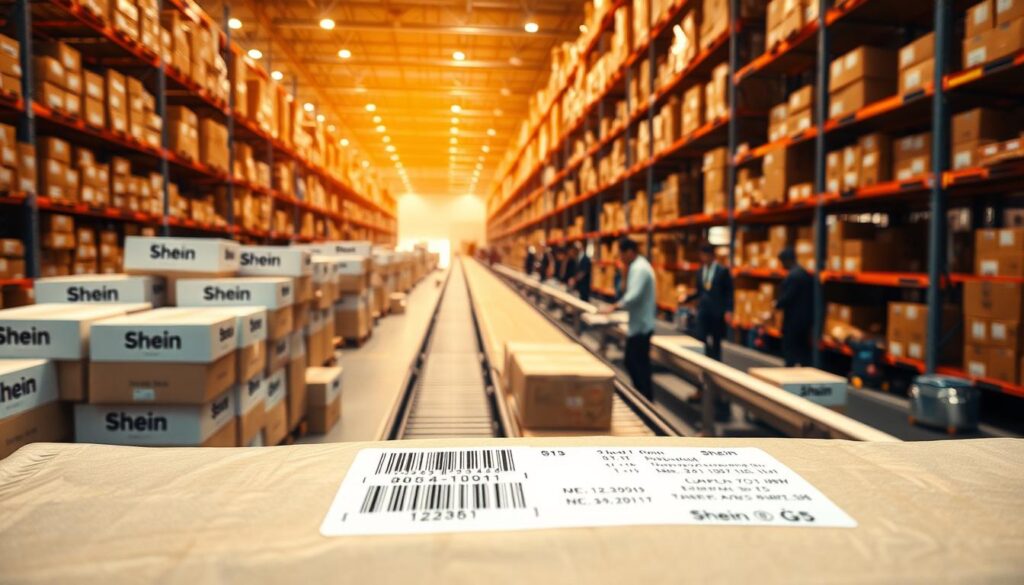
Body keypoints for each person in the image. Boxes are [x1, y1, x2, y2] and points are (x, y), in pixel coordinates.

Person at [600, 238, 656, 400]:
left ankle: (645, 399)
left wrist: (614, 307)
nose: (621, 258)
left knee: (636, 363)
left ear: (630, 251)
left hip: (642, 326)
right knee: (636, 363)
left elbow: (633, 296)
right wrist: (624, 274)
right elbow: (623, 290)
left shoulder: (639, 269)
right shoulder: (634, 267)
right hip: (638, 323)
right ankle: (642, 397)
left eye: (622, 254)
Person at [681, 242, 733, 361]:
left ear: (711, 255)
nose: (704, 258)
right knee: (700, 336)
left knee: (716, 340)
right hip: (704, 310)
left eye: (706, 255)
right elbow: (700, 291)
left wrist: (729, 310)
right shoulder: (700, 271)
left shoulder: (722, 271)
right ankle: (705, 359)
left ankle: (716, 362)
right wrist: (687, 298)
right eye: (702, 255)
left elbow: (729, 293)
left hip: (717, 311)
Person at [775, 247, 814, 367]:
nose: (782, 266)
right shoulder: (804, 274)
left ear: (787, 261)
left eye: (782, 262)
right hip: (806, 320)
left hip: (793, 320)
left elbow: (787, 297)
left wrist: (776, 304)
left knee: (790, 351)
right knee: (803, 352)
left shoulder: (793, 277)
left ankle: (790, 377)